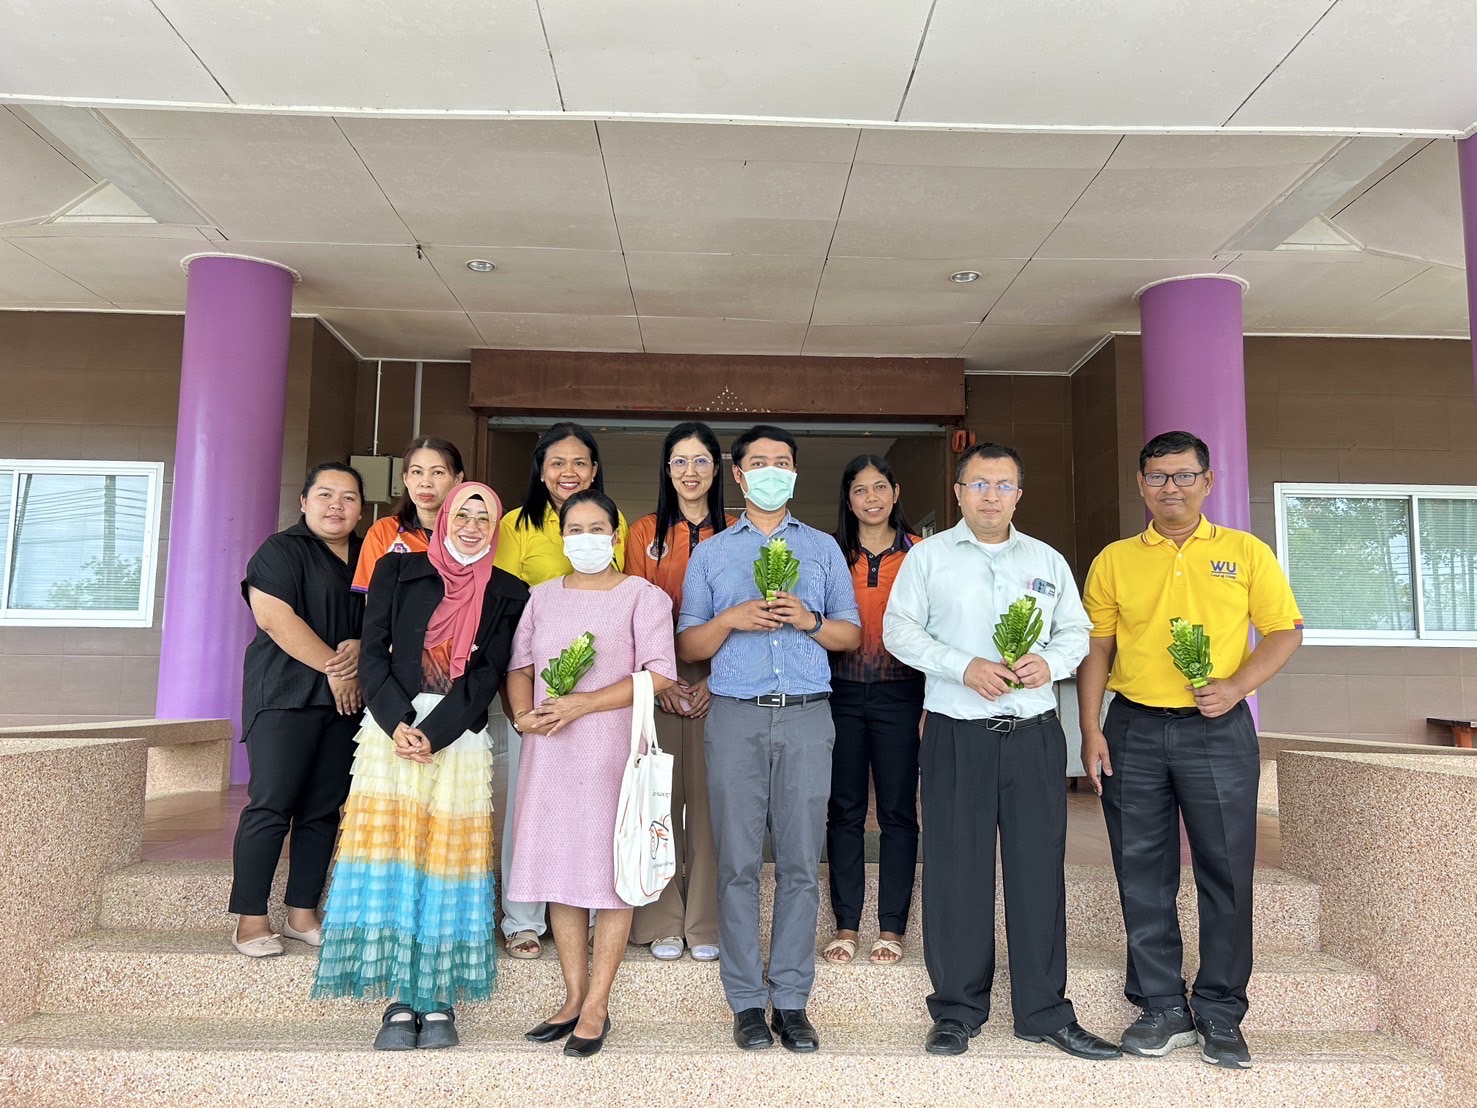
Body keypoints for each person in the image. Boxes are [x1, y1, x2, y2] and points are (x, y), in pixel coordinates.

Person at [883, 442, 1120, 1061]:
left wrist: (1052, 661)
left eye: (1004, 485)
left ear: (1019, 493)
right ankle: (956, 1011)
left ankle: (1043, 1011)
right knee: (956, 871)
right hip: (957, 734)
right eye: (980, 484)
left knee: (1038, 871)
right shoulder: (928, 557)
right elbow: (898, 630)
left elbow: (1077, 633)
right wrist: (961, 666)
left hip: (1033, 735)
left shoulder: (1046, 559)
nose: (992, 495)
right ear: (959, 492)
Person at [1079, 430, 1304, 1071]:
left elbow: (1284, 631)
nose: (1169, 487)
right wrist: (1091, 729)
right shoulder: (1115, 559)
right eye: (1157, 476)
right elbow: (1098, 647)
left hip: (1218, 730)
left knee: (1227, 870)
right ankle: (1161, 1006)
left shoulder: (1245, 552)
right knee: (1140, 869)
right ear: (1141, 484)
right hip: (1134, 729)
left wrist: (1236, 687)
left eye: (1183, 475)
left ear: (1208, 482)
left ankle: (1221, 1010)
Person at [312, 482, 528, 1049]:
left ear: (495, 527)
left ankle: (437, 997)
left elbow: (489, 674)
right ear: (445, 517)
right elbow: (373, 651)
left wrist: (435, 733)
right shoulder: (397, 571)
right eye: (464, 514)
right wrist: (399, 723)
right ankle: (398, 999)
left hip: (456, 736)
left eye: (484, 518)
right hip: (392, 730)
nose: (472, 526)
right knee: (396, 859)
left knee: (447, 863)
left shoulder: (509, 591)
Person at [676, 424, 861, 1055]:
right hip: (736, 716)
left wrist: (809, 619)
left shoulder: (822, 548)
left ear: (795, 472)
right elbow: (688, 645)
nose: (771, 471)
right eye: (759, 463)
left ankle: (792, 997)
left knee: (802, 862)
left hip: (807, 715)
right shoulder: (712, 553)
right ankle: (747, 1001)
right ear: (738, 474)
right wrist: (731, 619)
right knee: (737, 863)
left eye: (782, 462)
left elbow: (850, 635)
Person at [505, 489, 677, 1058]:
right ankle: (573, 995)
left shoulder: (642, 596)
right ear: (562, 537)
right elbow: (520, 666)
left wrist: (583, 704)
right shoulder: (541, 597)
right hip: (552, 750)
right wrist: (523, 716)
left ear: (615, 535)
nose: (585, 538)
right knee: (562, 865)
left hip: (612, 750)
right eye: (574, 529)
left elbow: (660, 674)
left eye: (596, 528)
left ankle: (598, 1002)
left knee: (612, 869)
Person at [493, 421, 630, 960]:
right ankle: (523, 918)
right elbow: (504, 605)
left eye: (579, 462)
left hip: (600, 695)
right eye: (557, 462)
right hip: (536, 684)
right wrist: (519, 699)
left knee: (596, 806)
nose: (568, 472)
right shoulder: (515, 524)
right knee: (530, 803)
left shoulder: (613, 520)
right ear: (541, 469)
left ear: (594, 470)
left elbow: (619, 596)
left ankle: (591, 907)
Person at [229, 462, 365, 957]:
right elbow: (273, 618)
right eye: (325, 495)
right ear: (304, 502)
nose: (336, 506)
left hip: (346, 704)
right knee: (272, 804)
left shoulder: (370, 556)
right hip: (286, 695)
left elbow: (384, 619)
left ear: (361, 508)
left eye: (348, 497)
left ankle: (302, 913)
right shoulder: (281, 550)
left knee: (323, 809)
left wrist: (361, 646)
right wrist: (336, 667)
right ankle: (250, 919)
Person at [626, 422, 733, 963]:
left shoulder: (738, 532)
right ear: (667, 470)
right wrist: (659, 679)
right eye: (679, 461)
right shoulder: (644, 531)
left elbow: (750, 614)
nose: (690, 472)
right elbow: (632, 610)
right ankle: (661, 918)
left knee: (712, 804)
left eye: (701, 460)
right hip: (658, 680)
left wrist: (721, 678)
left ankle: (706, 922)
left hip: (725, 680)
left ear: (717, 469)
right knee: (659, 798)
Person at [823, 455, 924, 968]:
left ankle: (891, 927)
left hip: (902, 695)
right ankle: (846, 924)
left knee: (897, 812)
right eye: (860, 490)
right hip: (838, 694)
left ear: (895, 492)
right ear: (848, 499)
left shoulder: (922, 554)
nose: (871, 498)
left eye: (879, 487)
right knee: (843, 810)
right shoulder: (829, 553)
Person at [351, 436, 465, 594]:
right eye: (417, 472)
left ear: (457, 479)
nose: (425, 483)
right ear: (405, 478)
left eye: (438, 472)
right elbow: (371, 599)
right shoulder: (383, 531)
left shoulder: (472, 533)